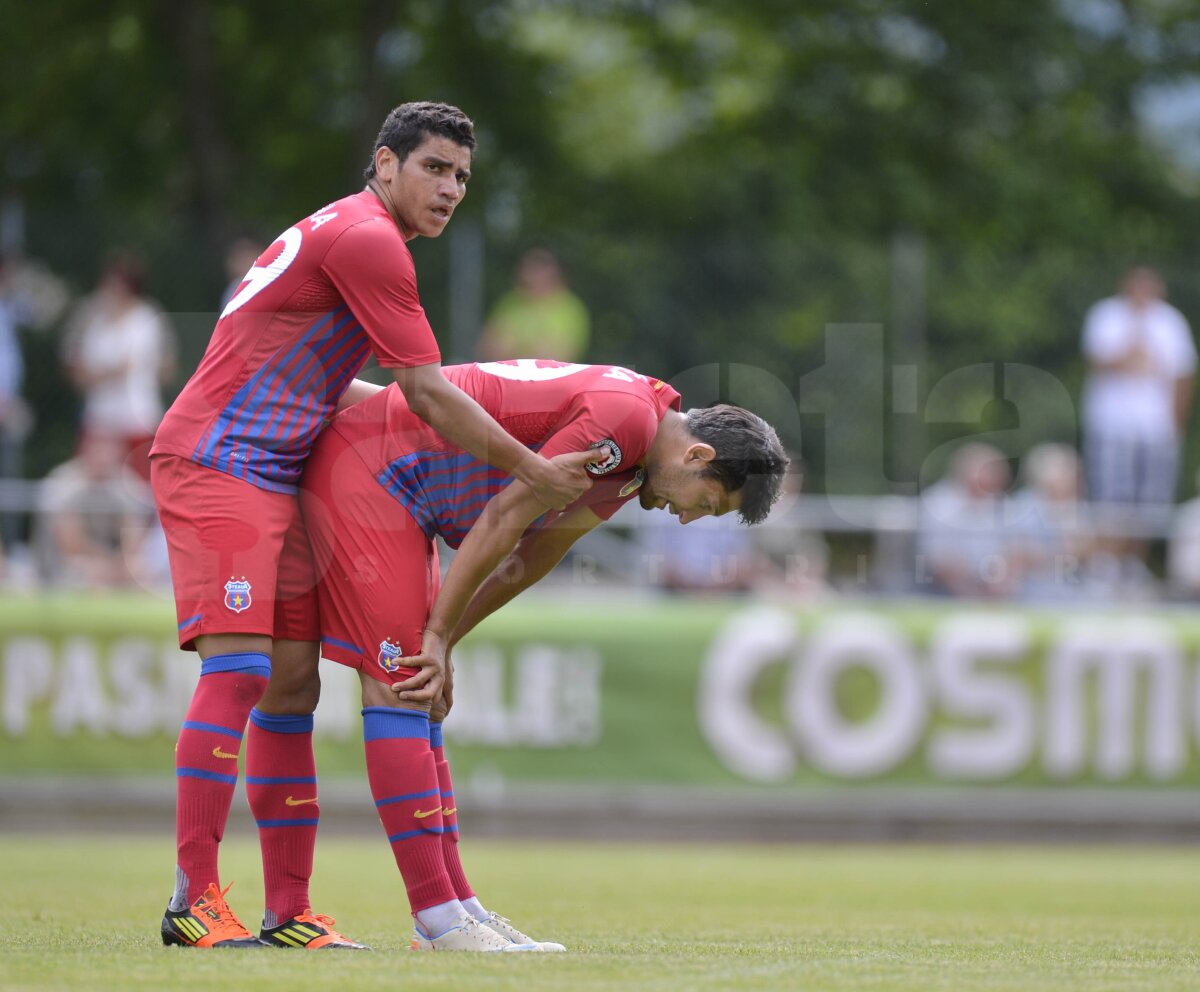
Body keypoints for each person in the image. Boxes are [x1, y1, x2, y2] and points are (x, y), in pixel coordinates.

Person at [149, 103, 596, 950]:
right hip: (221, 461)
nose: (451, 188)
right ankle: (192, 899)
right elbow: (424, 391)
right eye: (434, 168)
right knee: (242, 669)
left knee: (290, 685)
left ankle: (287, 915)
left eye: (462, 175)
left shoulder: (351, 235)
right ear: (384, 165)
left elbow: (365, 393)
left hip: (275, 468)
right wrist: (531, 468)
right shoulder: (370, 241)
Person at [298, 358, 789, 951]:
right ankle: (437, 917)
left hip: (401, 486)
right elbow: (507, 514)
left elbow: (534, 554)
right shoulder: (626, 422)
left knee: (422, 694)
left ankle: (456, 906)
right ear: (698, 456)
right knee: (401, 682)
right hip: (373, 470)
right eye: (705, 504)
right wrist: (434, 637)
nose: (687, 518)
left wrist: (446, 637)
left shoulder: (633, 458)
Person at [1081, 267, 1196, 518]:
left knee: (1151, 500)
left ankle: (1136, 557)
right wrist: (1131, 348)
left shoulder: (1171, 321)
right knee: (1110, 496)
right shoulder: (1106, 314)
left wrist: (1177, 424)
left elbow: (1183, 375)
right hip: (1112, 426)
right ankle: (1109, 556)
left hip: (1157, 428)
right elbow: (1097, 361)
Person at [61, 251, 177, 480]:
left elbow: (166, 368)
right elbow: (75, 368)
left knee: (141, 487)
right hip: (100, 419)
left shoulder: (148, 318)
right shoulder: (90, 316)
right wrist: (108, 373)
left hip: (137, 418)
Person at [34, 431, 156, 588]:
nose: (104, 455)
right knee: (93, 574)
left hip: (110, 560)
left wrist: (120, 563)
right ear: (86, 449)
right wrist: (109, 562)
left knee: (138, 570)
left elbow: (134, 534)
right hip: (63, 562)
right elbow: (70, 542)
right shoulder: (63, 482)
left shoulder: (126, 481)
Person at [916, 443, 1016, 599]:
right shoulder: (938, 504)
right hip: (940, 592)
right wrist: (971, 594)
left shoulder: (1001, 504)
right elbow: (938, 560)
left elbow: (1014, 550)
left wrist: (1000, 583)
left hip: (994, 593)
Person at [477, 248, 591, 362]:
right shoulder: (509, 302)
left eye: (539, 268)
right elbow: (488, 350)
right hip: (503, 377)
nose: (528, 274)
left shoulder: (570, 309)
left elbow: (557, 357)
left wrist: (513, 349)